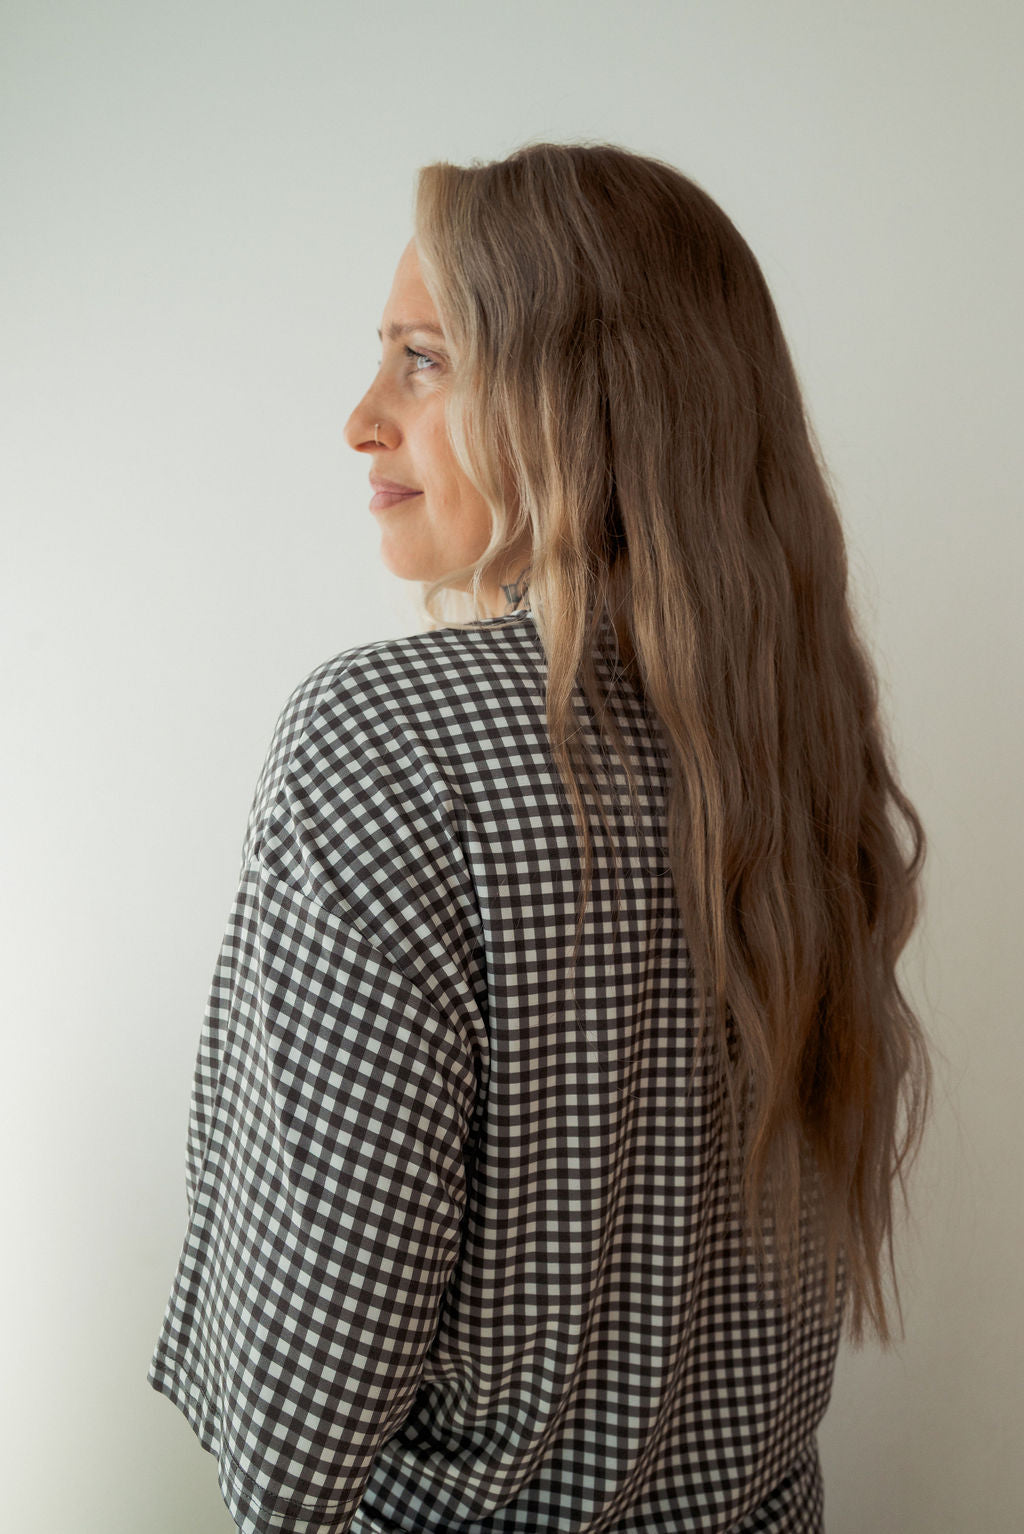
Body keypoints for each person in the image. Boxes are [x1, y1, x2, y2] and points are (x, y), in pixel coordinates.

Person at [147, 140, 931, 1533]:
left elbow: (295, 1436)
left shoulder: (390, 741)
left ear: (581, 400)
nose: (360, 419)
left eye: (423, 360)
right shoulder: (804, 750)